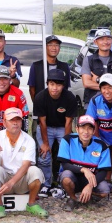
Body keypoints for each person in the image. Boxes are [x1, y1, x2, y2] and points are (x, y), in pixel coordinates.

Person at [0, 108, 48, 219]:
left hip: (21, 180)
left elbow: (26, 165)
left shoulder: (29, 140)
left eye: (18, 120)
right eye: (12, 120)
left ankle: (31, 204)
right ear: (4, 122)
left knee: (35, 171)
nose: (15, 123)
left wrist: (11, 182)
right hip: (4, 180)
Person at [32, 68, 77, 198]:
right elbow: (42, 123)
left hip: (63, 126)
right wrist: (45, 143)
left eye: (58, 84)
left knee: (66, 155)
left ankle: (63, 184)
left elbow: (69, 123)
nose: (55, 88)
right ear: (47, 84)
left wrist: (65, 143)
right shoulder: (40, 97)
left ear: (63, 85)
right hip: (46, 127)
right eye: (52, 84)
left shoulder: (70, 98)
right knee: (44, 155)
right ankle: (46, 184)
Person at [57, 115, 112, 211]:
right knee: (66, 177)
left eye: (89, 128)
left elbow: (104, 171)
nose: (86, 132)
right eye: (82, 128)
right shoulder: (67, 140)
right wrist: (84, 169)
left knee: (105, 190)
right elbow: (65, 165)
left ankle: (88, 197)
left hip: (91, 179)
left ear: (94, 131)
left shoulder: (102, 146)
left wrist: (90, 186)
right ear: (77, 129)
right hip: (73, 177)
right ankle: (72, 198)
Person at [81, 29, 112, 104]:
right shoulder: (88, 60)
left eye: (108, 39)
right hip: (93, 102)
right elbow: (86, 83)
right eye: (102, 39)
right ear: (95, 42)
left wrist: (98, 79)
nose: (105, 42)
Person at [28, 34, 71, 99]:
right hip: (41, 105)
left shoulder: (65, 67)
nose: (54, 48)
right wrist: (37, 105)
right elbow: (32, 89)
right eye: (50, 45)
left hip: (59, 106)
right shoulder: (36, 66)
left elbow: (66, 88)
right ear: (45, 47)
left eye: (56, 45)